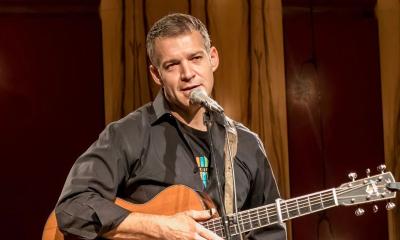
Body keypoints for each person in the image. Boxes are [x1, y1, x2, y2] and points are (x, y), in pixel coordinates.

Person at [55, 13, 286, 240]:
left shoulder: (247, 144)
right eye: (172, 65)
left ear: (212, 58)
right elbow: (72, 208)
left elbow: (270, 233)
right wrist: (159, 227)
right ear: (156, 74)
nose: (187, 74)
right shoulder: (129, 134)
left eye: (195, 58)